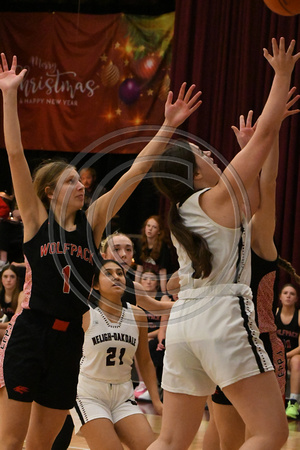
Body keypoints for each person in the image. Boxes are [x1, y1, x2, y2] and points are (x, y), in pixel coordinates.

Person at [0, 50, 202, 449]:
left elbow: (134, 172)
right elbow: (15, 153)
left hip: (68, 341)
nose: (82, 185)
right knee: (10, 441)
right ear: (49, 191)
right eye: (72, 181)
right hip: (31, 333)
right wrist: (9, 95)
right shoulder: (39, 221)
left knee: (41, 444)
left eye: (82, 180)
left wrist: (167, 125)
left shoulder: (92, 224)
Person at [147, 38, 300, 450]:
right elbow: (266, 135)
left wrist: (251, 148)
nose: (210, 157)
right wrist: (282, 75)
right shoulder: (215, 199)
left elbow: (259, 188)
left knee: (172, 439)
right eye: (201, 156)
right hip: (220, 315)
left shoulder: (181, 212)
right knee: (270, 432)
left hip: (183, 324)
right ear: (195, 177)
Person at [202, 88, 300, 449]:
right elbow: (261, 185)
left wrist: (261, 140)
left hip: (236, 341)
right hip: (242, 343)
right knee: (253, 436)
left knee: (226, 436)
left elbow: (266, 184)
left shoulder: (253, 236)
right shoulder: (222, 237)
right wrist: (261, 139)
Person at [70, 259, 162, 450]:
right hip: (89, 394)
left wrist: (157, 401)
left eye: (119, 273)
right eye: (109, 274)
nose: (116, 277)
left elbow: (144, 361)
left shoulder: (137, 315)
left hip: (123, 395)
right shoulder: (85, 314)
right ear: (95, 284)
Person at [134, 270, 172, 401]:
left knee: (148, 344)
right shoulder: (137, 299)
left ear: (157, 283)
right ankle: (142, 383)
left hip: (159, 335)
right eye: (145, 278)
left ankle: (153, 387)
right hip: (144, 335)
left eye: (152, 279)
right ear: (140, 282)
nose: (148, 282)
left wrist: (148, 335)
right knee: (137, 344)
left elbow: (164, 326)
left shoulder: (163, 298)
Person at [276, 283, 300, 419]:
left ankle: (293, 403)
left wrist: (286, 355)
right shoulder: (275, 314)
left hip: (292, 356)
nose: (288, 296)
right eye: (285, 293)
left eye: (292, 294)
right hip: (277, 356)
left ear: (296, 299)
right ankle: (273, 404)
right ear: (280, 297)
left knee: (297, 361)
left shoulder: (298, 316)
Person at [135, 215, 174, 293]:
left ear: (159, 231)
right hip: (144, 281)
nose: (150, 229)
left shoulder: (163, 247)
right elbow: (139, 268)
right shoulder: (140, 243)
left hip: (157, 283)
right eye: (148, 226)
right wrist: (136, 287)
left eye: (154, 227)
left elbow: (163, 272)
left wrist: (163, 293)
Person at [0, 264, 24, 340]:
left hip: (19, 329)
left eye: (12, 276)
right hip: (6, 328)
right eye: (5, 276)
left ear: (17, 279)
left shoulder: (21, 295)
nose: (8, 280)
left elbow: (15, 322)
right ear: (1, 279)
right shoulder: (0, 294)